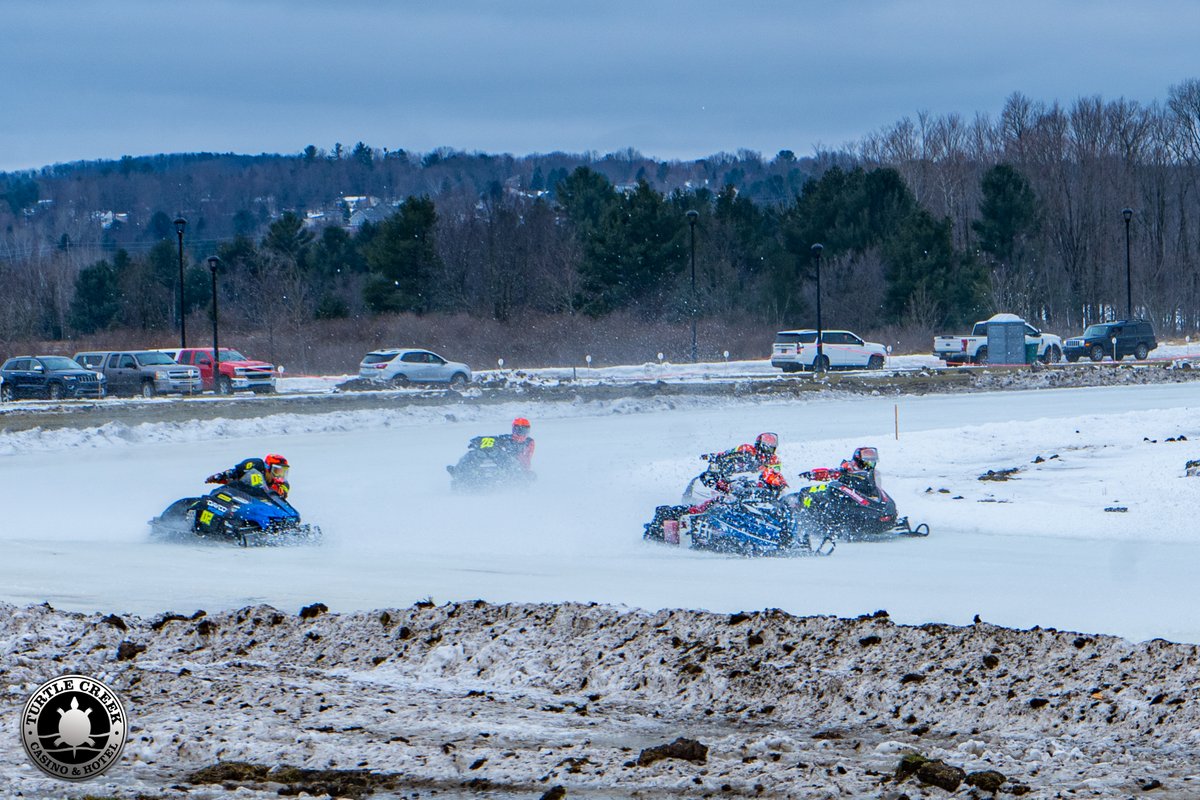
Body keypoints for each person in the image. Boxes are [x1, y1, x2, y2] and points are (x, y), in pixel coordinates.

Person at [700, 432, 787, 495]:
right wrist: (714, 456)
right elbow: (727, 454)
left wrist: (780, 485)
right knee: (722, 484)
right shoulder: (746, 449)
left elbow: (775, 474)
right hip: (735, 476)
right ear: (759, 445)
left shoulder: (774, 460)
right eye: (766, 448)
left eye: (771, 449)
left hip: (757, 484)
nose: (768, 451)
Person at [206, 453, 291, 499]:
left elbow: (281, 498)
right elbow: (235, 472)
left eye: (283, 472)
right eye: (276, 471)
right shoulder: (255, 465)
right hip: (241, 495)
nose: (279, 475)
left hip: (261, 505)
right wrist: (219, 476)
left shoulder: (282, 485)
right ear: (267, 467)